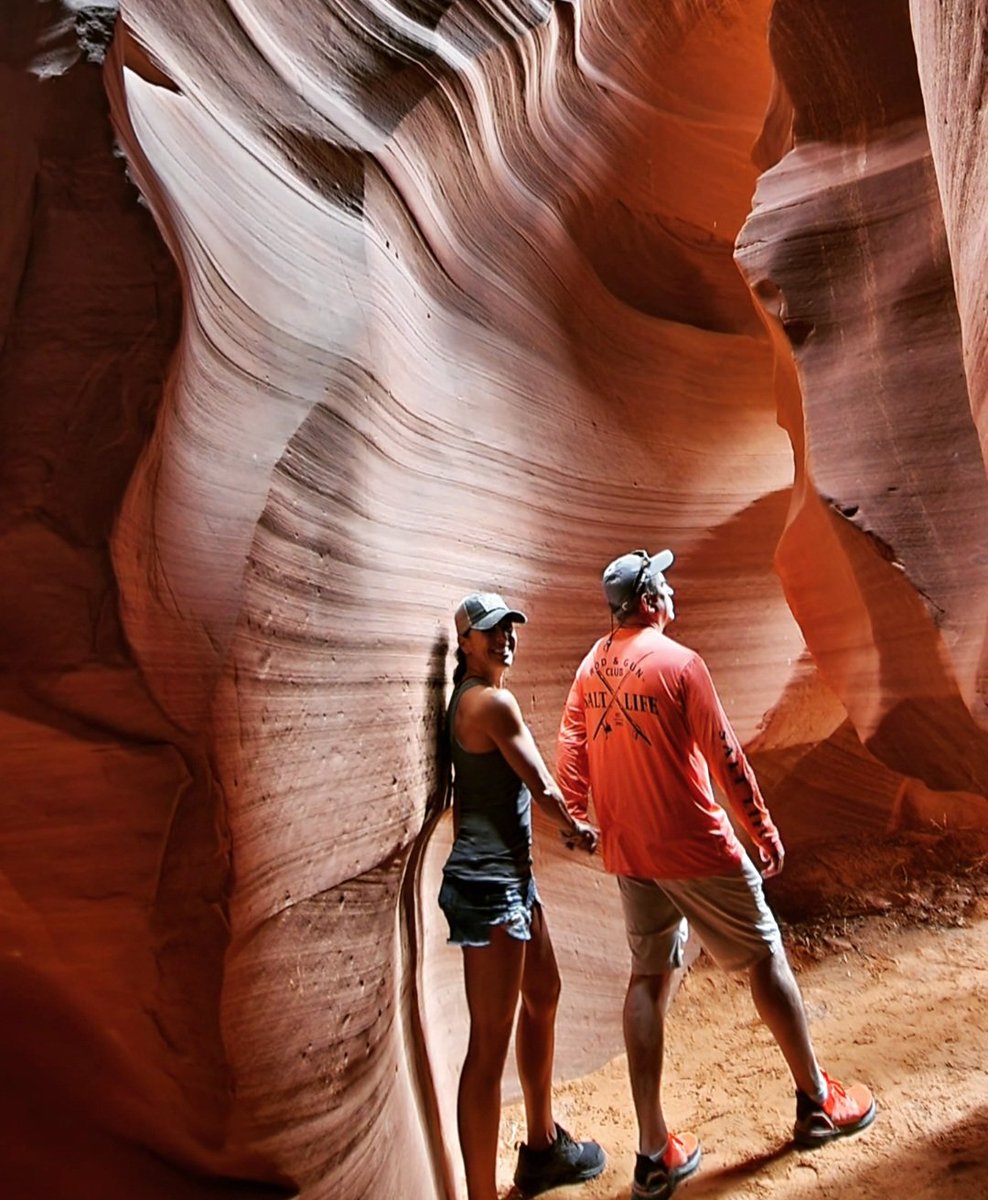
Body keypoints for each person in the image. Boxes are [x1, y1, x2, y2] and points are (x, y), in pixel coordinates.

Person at [555, 550, 876, 1199]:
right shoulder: (680, 666)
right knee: (763, 958)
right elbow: (725, 756)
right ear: (648, 600)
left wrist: (584, 817)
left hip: (631, 854)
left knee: (647, 977)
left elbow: (571, 756)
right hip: (695, 845)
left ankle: (653, 1152)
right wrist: (761, 828)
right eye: (662, 582)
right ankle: (817, 1100)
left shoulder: (591, 669)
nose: (670, 589)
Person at [439, 591, 606, 1200]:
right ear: (465, 644)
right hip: (490, 887)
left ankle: (541, 1146)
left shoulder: (469, 698)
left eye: (508, 628)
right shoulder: (491, 703)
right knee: (488, 1046)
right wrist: (578, 829)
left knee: (545, 992)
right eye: (489, 631)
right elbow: (540, 782)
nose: (504, 637)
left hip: (510, 880)